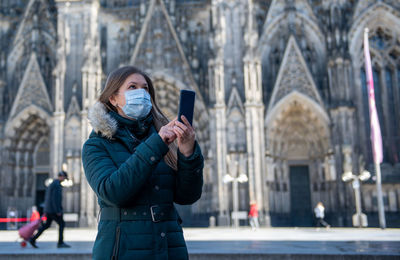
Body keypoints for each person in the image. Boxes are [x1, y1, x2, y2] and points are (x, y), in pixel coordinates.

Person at [81, 66, 204, 260]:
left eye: (145, 88)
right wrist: (156, 144)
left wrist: (188, 152)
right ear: (113, 98)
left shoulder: (164, 140)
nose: (142, 93)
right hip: (123, 250)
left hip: (168, 248)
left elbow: (187, 195)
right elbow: (113, 192)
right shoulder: (96, 145)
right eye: (132, 87)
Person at [29, 171, 71, 248]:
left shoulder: (53, 184)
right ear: (61, 177)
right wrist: (58, 210)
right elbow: (56, 199)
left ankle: (33, 239)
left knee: (46, 225)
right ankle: (60, 242)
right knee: (62, 224)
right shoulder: (57, 185)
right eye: (64, 178)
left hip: (49, 209)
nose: (64, 180)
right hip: (53, 210)